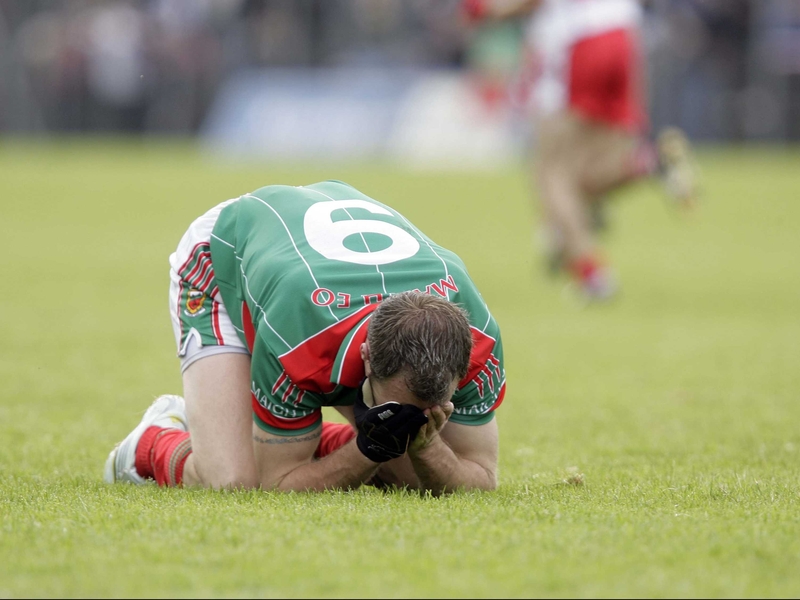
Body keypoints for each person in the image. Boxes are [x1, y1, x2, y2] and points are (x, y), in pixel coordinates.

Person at [104, 180, 505, 495]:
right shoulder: (298, 344)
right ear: (365, 359)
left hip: (316, 267)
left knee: (419, 481)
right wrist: (368, 450)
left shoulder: (479, 339)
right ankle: (150, 440)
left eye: (432, 410)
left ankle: (259, 428)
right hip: (222, 260)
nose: (418, 421)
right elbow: (279, 483)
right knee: (234, 480)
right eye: (405, 409)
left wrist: (425, 446)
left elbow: (480, 477)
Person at [464, 0, 697, 299]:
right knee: (590, 170)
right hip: (624, 33)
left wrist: (486, 11)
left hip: (579, 40)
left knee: (551, 171)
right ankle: (648, 162)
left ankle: (591, 273)